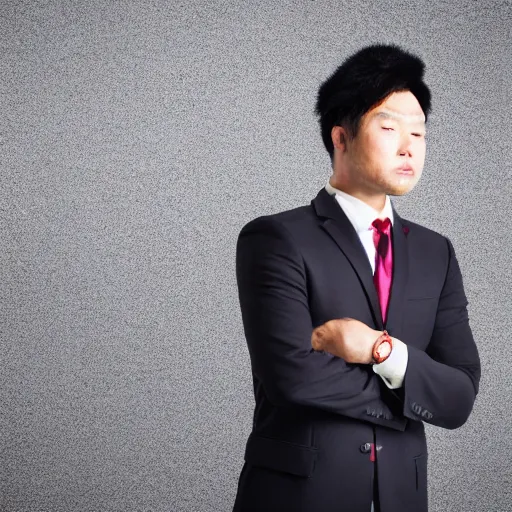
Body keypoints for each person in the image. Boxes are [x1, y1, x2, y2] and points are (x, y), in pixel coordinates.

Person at [231, 44, 481, 512]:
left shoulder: (436, 252)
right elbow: (293, 377)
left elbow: (460, 395)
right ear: (340, 137)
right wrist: (411, 391)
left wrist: (378, 350)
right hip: (297, 498)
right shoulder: (276, 238)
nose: (409, 146)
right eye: (389, 128)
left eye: (419, 133)